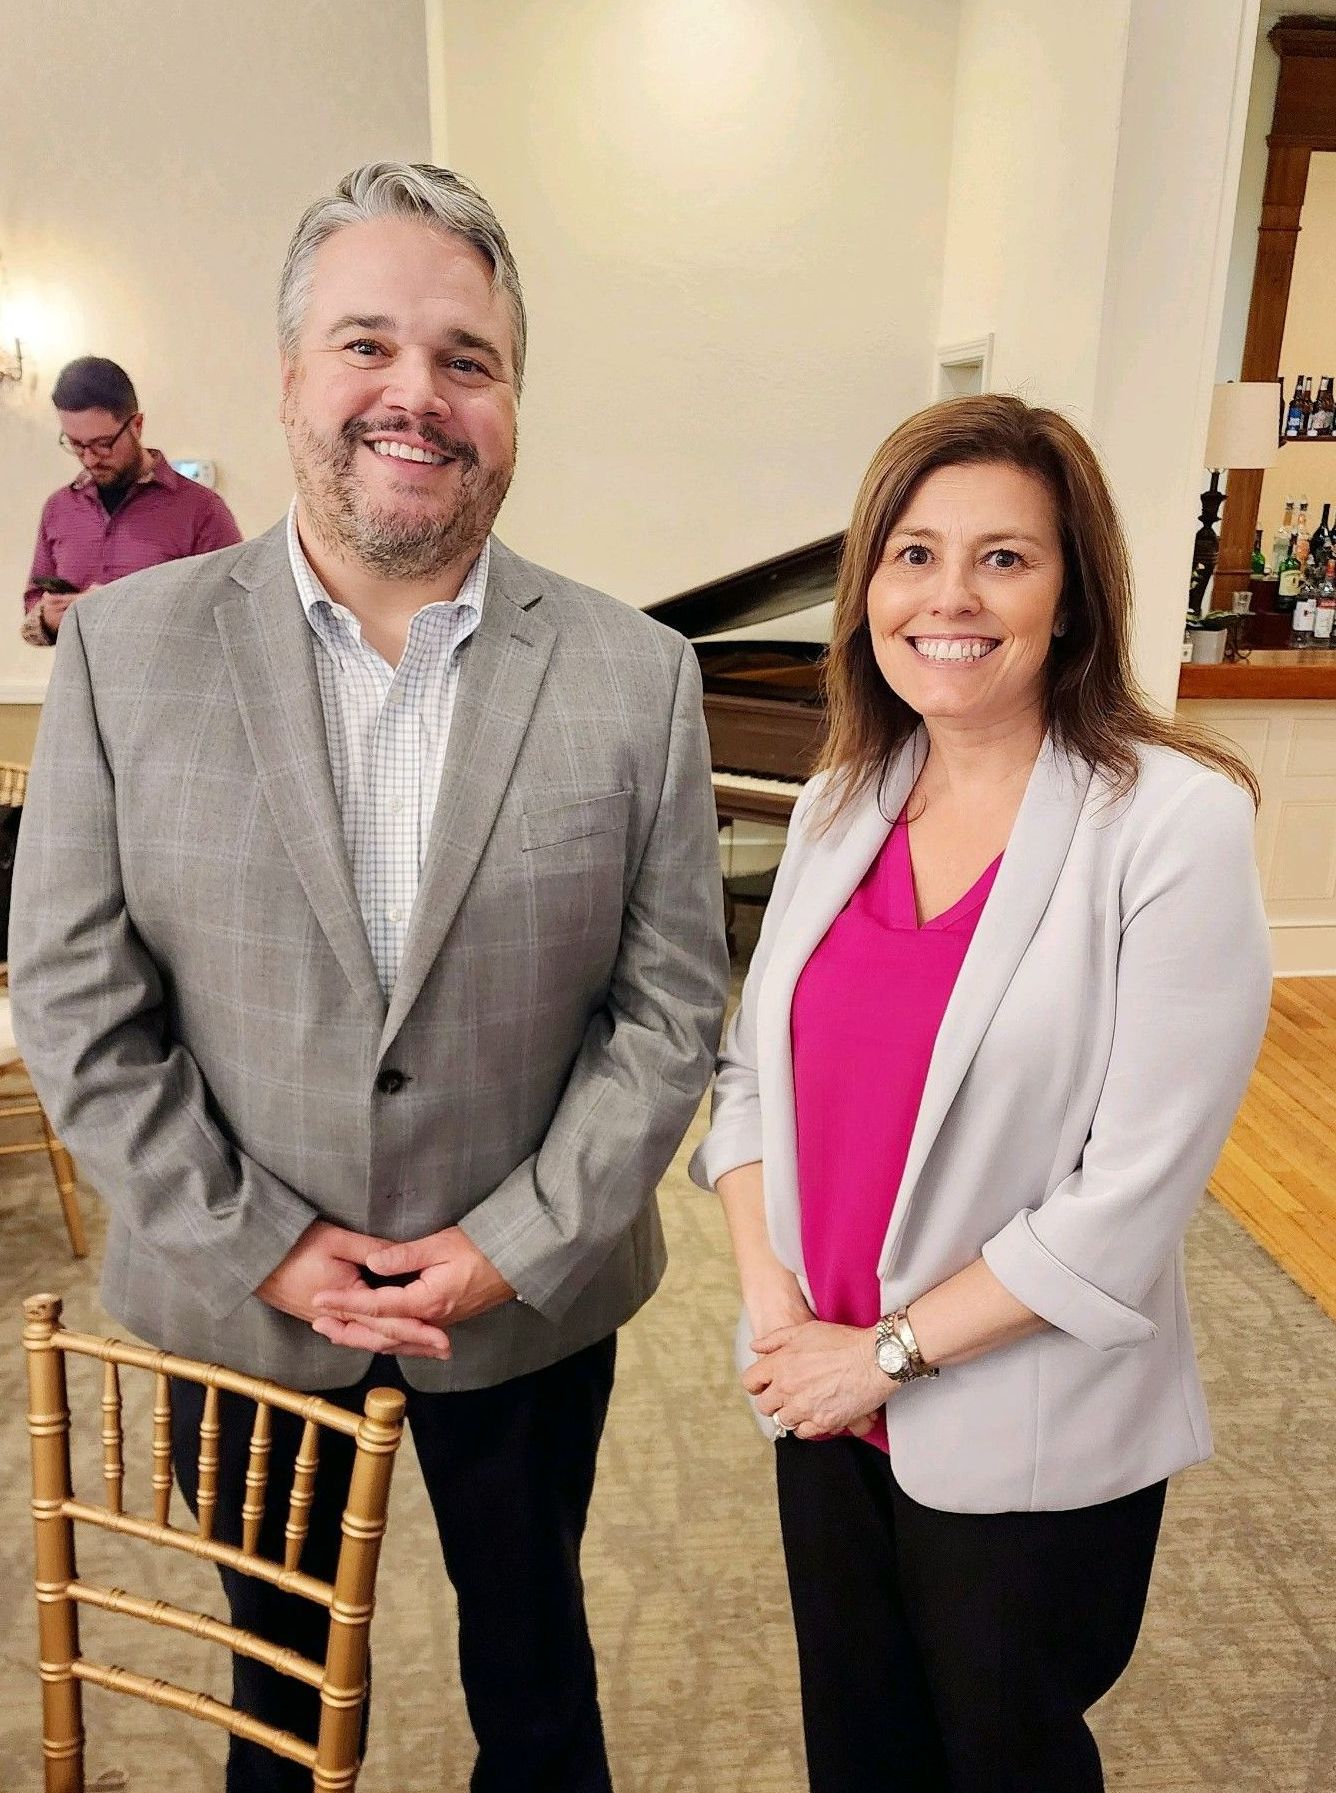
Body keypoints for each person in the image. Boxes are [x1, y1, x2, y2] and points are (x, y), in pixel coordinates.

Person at [11, 162, 728, 1793]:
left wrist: (512, 1241)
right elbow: (74, 995)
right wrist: (261, 1242)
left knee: (535, 1676)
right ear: (288, 379)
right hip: (240, 1300)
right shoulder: (127, 652)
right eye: (367, 345)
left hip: (526, 1309)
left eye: (467, 358)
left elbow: (670, 1007)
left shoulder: (637, 675)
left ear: (513, 401)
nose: (418, 392)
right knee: (274, 1700)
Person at [690, 394, 1272, 1793]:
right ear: (868, 589)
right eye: (914, 554)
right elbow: (750, 1073)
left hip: (1018, 1413)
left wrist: (883, 1355)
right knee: (861, 1754)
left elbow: (1129, 1197)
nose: (948, 595)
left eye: (1003, 557)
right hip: (818, 1397)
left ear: (1071, 599)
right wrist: (778, 1311)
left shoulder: (1169, 823)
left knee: (1004, 1758)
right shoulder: (841, 799)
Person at [21, 356, 241, 645]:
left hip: (165, 674)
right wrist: (48, 619)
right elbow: (33, 604)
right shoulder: (58, 508)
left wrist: (125, 608)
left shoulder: (202, 510)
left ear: (136, 425)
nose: (89, 459)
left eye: (103, 444)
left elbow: (235, 615)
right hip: (75, 675)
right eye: (76, 445)